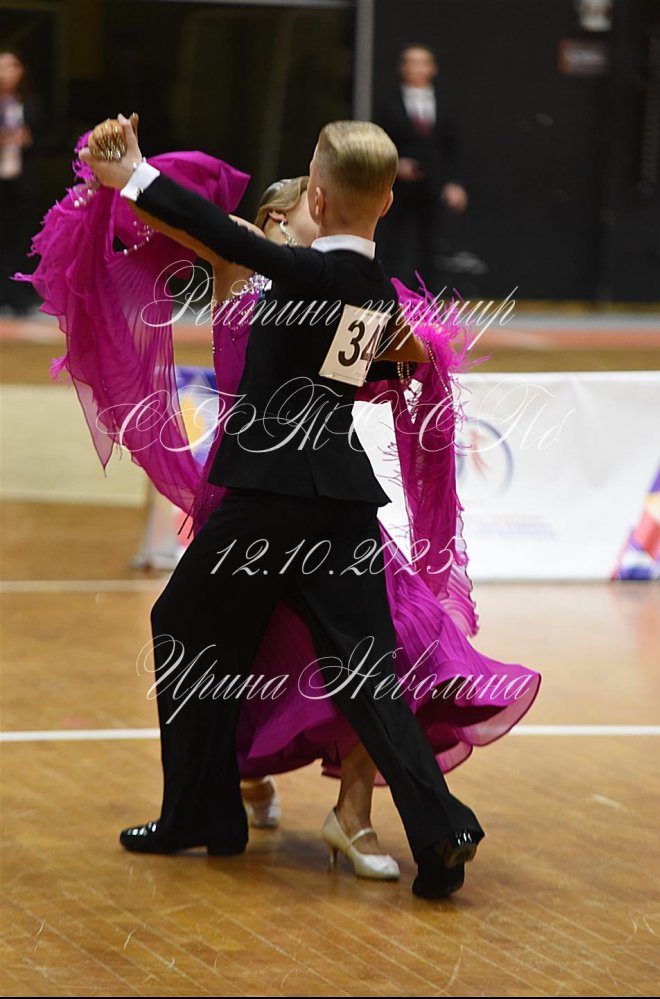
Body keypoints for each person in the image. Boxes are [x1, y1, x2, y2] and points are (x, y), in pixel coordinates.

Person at [77, 113, 492, 900]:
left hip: (269, 497)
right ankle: (442, 826)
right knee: (367, 671)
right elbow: (336, 375)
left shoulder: (307, 272)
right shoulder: (373, 290)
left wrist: (132, 172)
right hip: (339, 498)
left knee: (182, 625)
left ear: (323, 201)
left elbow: (220, 233)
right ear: (387, 203)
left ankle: (200, 814)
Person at [374, 44, 467, 290]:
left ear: (432, 68)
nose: (416, 68)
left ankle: (429, 299)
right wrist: (396, 164)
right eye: (410, 62)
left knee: (433, 245)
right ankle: (390, 296)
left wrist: (456, 182)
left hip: (435, 185)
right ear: (402, 68)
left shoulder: (446, 102)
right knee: (393, 243)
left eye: (422, 62)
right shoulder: (387, 102)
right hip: (397, 187)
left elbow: (455, 146)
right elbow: (378, 140)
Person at [0, 48, 45, 315]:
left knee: (21, 236)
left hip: (21, 178)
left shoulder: (31, 104)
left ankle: (18, 293)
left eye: (12, 66)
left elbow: (52, 139)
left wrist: (29, 140)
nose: (6, 72)